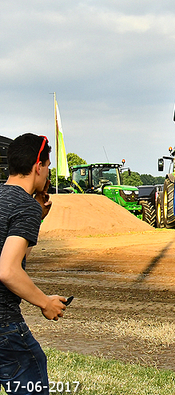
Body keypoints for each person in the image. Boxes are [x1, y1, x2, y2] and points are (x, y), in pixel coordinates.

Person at [0, 133, 68, 395]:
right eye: (48, 166)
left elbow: (10, 252)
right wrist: (45, 302)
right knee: (32, 369)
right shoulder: (24, 205)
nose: (48, 172)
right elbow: (7, 270)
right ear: (37, 166)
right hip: (4, 324)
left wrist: (36, 218)